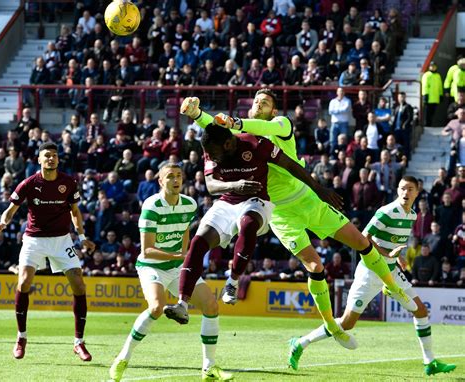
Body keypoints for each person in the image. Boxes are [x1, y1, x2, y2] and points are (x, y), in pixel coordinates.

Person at [175, 91, 416, 347]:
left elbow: (255, 128)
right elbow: (216, 130)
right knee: (315, 267)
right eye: (256, 101)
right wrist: (196, 115)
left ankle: (395, 289)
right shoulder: (240, 137)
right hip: (279, 213)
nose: (259, 104)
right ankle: (333, 326)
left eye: (265, 102)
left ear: (274, 111)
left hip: (307, 200)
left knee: (361, 243)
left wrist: (321, 189)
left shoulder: (281, 125)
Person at [164, 123, 355, 344]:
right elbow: (211, 185)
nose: (212, 157)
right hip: (228, 200)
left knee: (247, 224)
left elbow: (291, 165)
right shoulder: (210, 147)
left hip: (258, 201)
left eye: (216, 153)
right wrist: (235, 185)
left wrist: (319, 189)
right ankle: (182, 304)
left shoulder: (256, 144)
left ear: (228, 143)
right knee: (198, 242)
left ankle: (233, 282)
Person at [287, 176, 456, 376]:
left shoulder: (412, 214)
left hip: (391, 270)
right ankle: (299, 343)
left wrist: (398, 258)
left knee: (420, 311)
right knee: (347, 323)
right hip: (370, 270)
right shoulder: (386, 212)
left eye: (410, 189)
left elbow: (394, 241)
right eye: (402, 188)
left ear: (418, 192)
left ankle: (430, 362)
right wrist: (386, 254)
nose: (405, 193)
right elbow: (363, 239)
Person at [109, 164, 232, 382]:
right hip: (151, 265)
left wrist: (184, 255)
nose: (176, 180)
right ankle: (123, 358)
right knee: (156, 307)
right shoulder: (151, 206)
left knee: (211, 305)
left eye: (179, 176)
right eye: (170, 177)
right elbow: (147, 249)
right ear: (160, 181)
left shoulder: (189, 204)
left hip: (177, 267)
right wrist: (180, 257)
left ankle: (209, 367)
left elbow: (185, 230)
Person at [0, 142, 96, 361]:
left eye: (54, 156)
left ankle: (78, 342)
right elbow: (10, 211)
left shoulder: (68, 183)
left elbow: (75, 212)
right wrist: (2, 223)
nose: (51, 159)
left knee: (78, 282)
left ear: (58, 160)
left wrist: (83, 237)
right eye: (47, 155)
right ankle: (21, 337)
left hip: (61, 240)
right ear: (39, 160)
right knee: (24, 281)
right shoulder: (28, 184)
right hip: (34, 240)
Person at [421, 62, 443, 126]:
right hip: (429, 98)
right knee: (427, 114)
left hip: (435, 98)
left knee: (432, 113)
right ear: (429, 67)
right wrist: (425, 95)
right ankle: (427, 125)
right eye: (431, 66)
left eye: (434, 66)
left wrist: (441, 95)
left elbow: (440, 86)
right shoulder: (426, 75)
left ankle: (430, 124)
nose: (433, 67)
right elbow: (425, 86)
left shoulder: (438, 75)